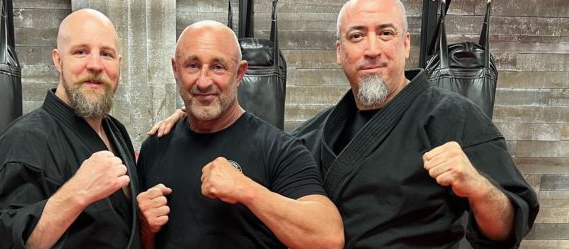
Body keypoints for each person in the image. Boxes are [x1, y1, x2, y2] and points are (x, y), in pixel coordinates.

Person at [150, 0, 539, 247]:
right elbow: (254, 150)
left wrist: (476, 186)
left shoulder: (452, 116)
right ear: (340, 51)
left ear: (404, 44)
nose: (371, 49)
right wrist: (197, 112)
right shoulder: (316, 134)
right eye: (357, 36)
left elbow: (507, 227)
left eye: (385, 33)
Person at [136, 20, 344, 249]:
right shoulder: (154, 147)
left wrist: (248, 191)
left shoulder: (280, 149)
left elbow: (328, 239)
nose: (204, 81)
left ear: (239, 73)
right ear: (176, 70)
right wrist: (144, 228)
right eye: (192, 66)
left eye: (218, 67)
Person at [0, 9, 140, 249]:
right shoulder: (25, 139)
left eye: (106, 54)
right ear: (58, 60)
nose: (96, 64)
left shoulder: (116, 130)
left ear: (119, 64)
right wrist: (77, 193)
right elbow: (5, 242)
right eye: (81, 52)